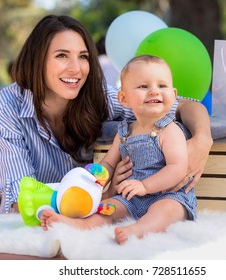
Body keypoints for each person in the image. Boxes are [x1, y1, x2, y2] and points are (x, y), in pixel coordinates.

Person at [0, 14, 212, 215]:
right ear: (38, 59)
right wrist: (101, 197)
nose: (76, 68)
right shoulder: (8, 109)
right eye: (62, 55)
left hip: (90, 223)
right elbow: (20, 203)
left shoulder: (96, 96)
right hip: (28, 229)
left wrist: (203, 138)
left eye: (83, 57)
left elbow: (185, 105)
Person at [41, 55, 197, 244]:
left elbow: (177, 168)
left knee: (166, 210)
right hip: (131, 198)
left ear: (173, 95)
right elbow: (109, 162)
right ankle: (76, 225)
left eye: (161, 86)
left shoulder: (169, 130)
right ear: (123, 98)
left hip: (169, 195)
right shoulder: (124, 132)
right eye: (143, 86)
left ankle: (138, 230)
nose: (154, 92)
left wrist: (145, 186)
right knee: (106, 207)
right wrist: (96, 176)